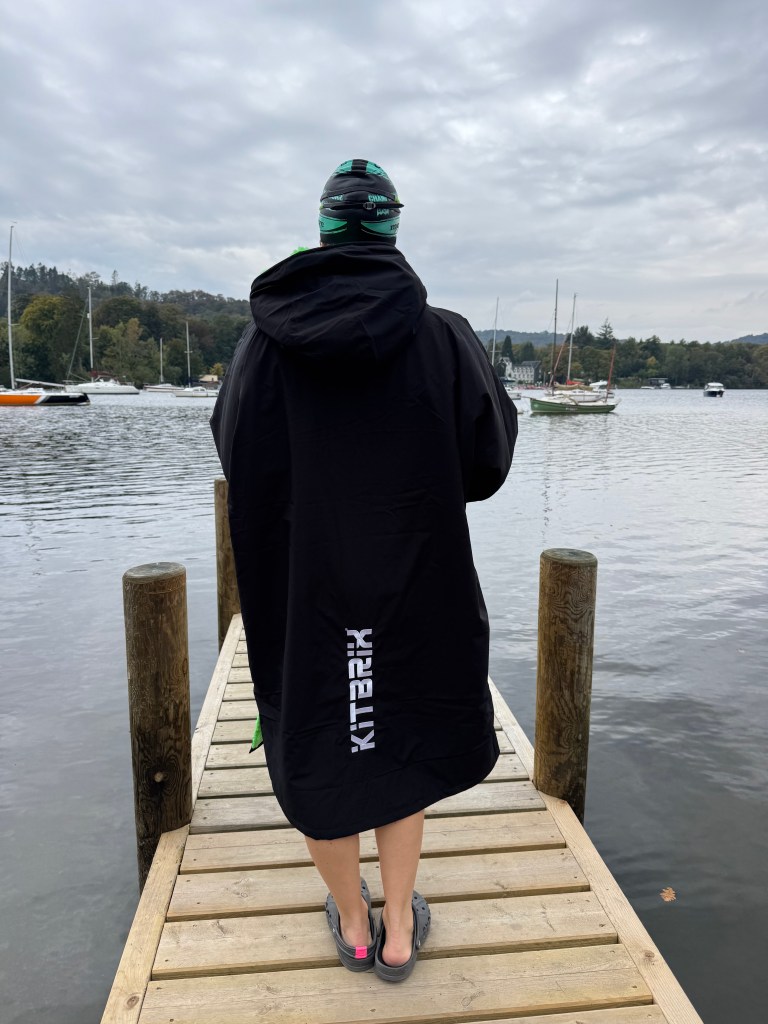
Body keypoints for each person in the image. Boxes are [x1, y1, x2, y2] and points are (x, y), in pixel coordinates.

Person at [210, 158, 517, 982]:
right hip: (414, 580)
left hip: (304, 585)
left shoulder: (262, 343)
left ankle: (353, 924)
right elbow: (488, 461)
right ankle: (399, 933)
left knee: (322, 740)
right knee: (401, 737)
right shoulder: (443, 336)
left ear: (323, 226)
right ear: (391, 225)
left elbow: (234, 449)